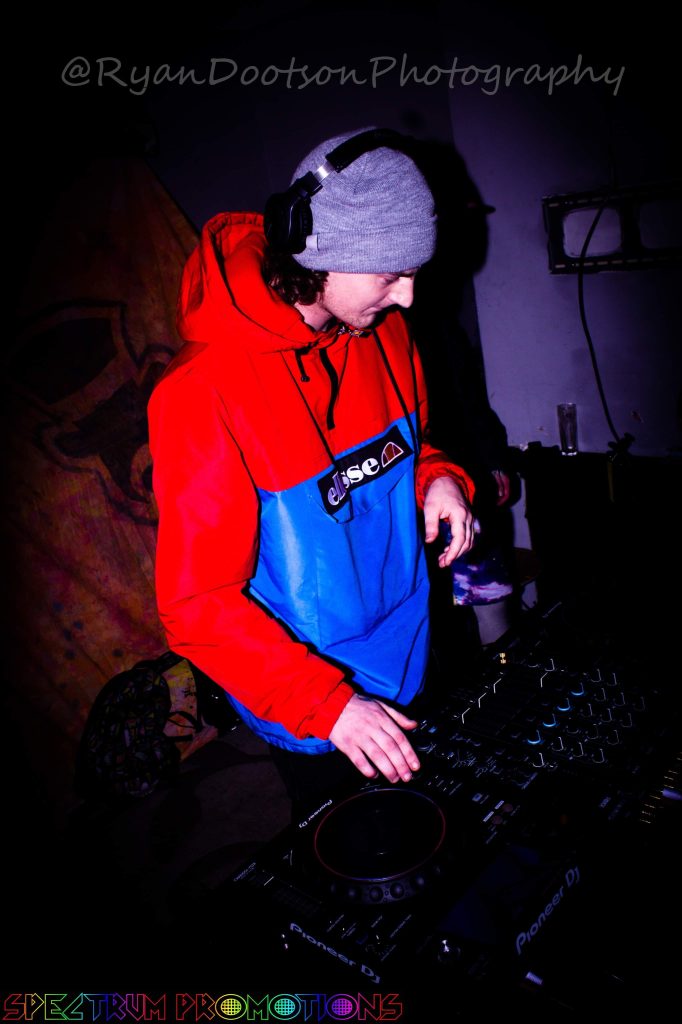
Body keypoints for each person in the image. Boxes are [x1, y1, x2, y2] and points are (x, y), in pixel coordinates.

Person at [147, 127, 476, 818]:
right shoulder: (199, 393)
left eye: (413, 272)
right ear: (319, 253)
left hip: (414, 645)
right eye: (390, 274)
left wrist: (437, 477)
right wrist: (327, 706)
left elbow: (408, 448)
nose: (408, 298)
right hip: (313, 700)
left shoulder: (381, 330)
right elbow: (197, 603)